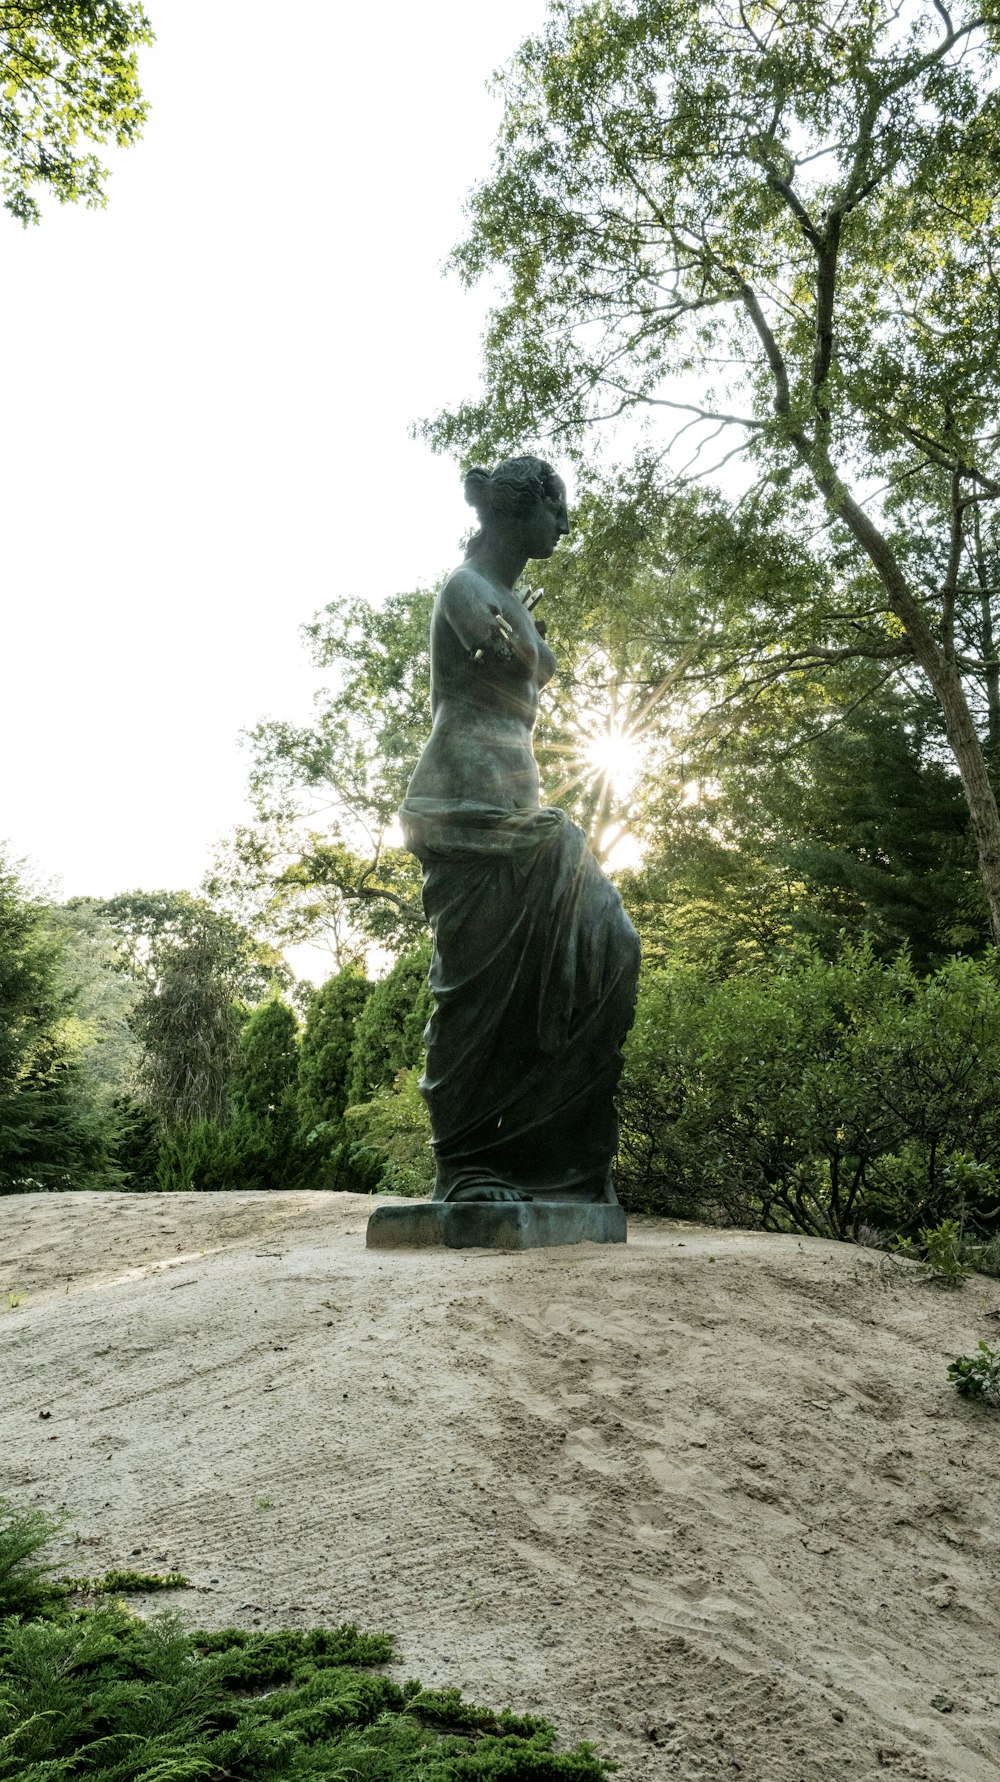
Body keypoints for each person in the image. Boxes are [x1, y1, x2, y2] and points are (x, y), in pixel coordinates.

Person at [400, 455, 640, 1204]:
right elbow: (521, 662)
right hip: (463, 808)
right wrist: (534, 649)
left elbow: (529, 658)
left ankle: (552, 1167)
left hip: (519, 805)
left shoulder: (503, 597)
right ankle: (468, 1167)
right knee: (475, 995)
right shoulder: (464, 589)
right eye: (554, 507)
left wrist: (530, 643)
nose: (564, 523)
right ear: (513, 512)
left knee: (615, 946)